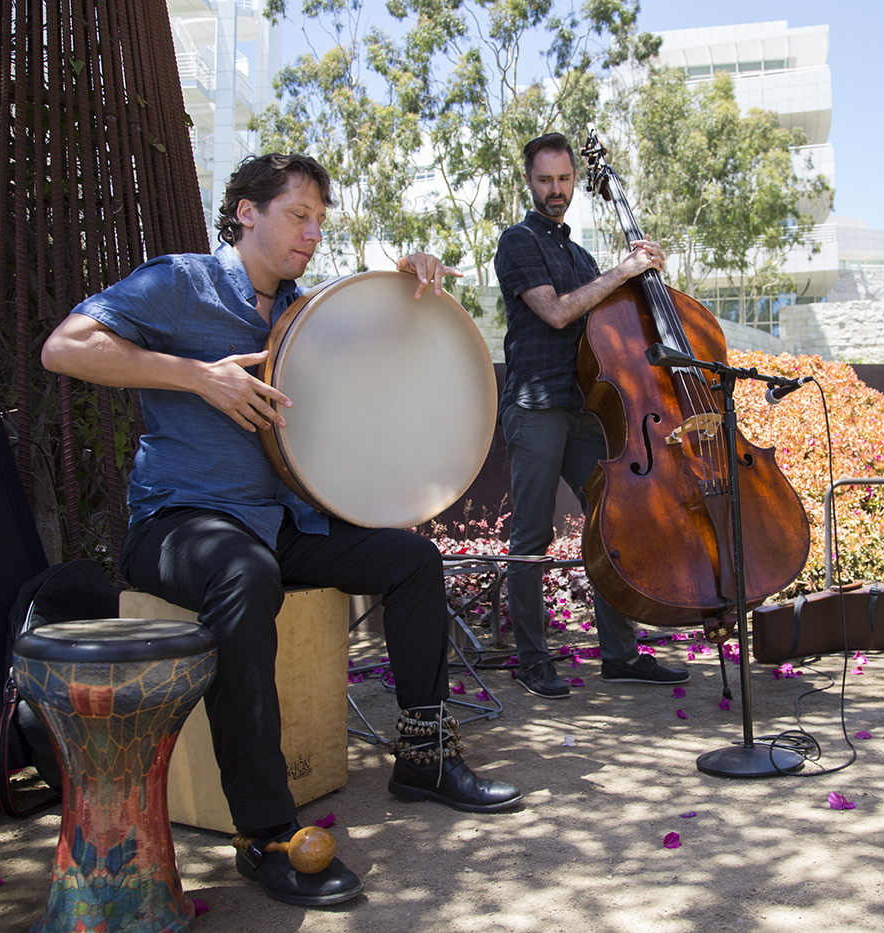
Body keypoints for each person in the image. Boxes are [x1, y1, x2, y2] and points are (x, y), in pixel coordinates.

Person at [40, 153, 520, 909]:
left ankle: (423, 756)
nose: (312, 233)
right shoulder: (179, 283)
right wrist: (201, 375)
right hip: (180, 522)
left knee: (411, 559)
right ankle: (263, 832)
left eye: (320, 222)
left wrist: (409, 285)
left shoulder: (308, 311)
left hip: (282, 521)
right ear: (246, 212)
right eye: (299, 215)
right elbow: (64, 346)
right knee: (244, 572)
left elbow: (383, 352)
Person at [492, 132, 689, 699]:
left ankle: (620, 656)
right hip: (535, 405)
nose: (555, 190)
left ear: (575, 180)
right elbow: (555, 312)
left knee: (611, 522)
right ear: (529, 182)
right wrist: (623, 271)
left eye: (563, 179)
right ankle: (532, 658)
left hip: (584, 407)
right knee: (532, 534)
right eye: (544, 180)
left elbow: (613, 321)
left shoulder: (580, 256)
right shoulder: (518, 241)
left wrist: (646, 274)